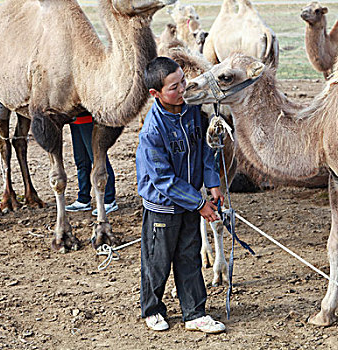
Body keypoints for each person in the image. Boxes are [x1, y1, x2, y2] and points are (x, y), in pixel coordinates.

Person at [136, 56, 225, 334]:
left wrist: (212, 183)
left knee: (189, 257)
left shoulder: (194, 113)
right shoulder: (152, 130)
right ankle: (152, 309)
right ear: (156, 94)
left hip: (191, 202)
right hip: (163, 205)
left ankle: (195, 313)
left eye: (183, 81)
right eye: (174, 87)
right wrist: (201, 204)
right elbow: (163, 179)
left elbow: (206, 151)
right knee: (157, 261)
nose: (183, 89)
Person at [65, 111, 118, 216]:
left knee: (98, 159)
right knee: (81, 161)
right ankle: (83, 199)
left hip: (89, 120)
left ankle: (109, 200)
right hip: (75, 120)